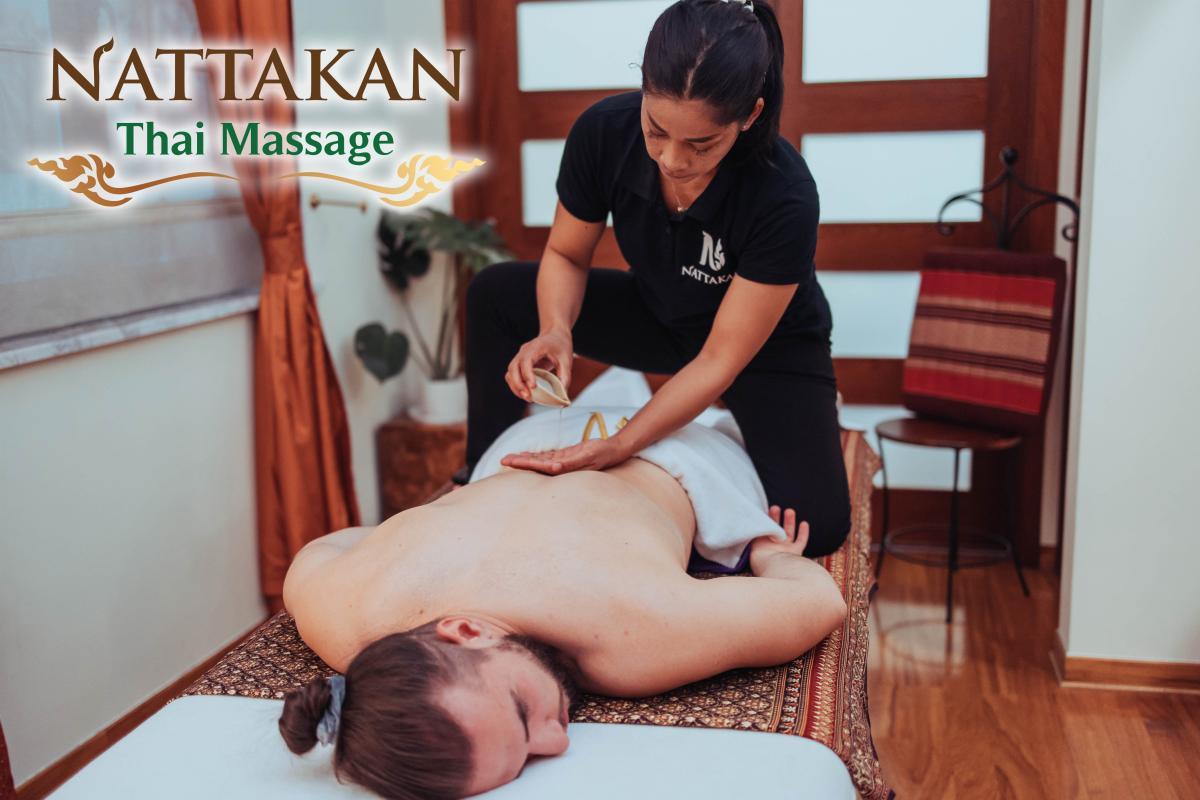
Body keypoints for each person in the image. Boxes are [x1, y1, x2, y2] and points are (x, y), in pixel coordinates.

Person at [460, 0, 852, 557]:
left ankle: (747, 430)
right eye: (656, 130)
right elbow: (568, 255)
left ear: (750, 115)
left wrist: (622, 445)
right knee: (496, 293)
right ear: (642, 92)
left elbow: (720, 359)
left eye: (701, 144)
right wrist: (555, 329)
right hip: (659, 311)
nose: (671, 159)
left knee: (819, 523)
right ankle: (476, 467)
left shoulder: (783, 193)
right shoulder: (603, 132)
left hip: (764, 349)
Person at [277, 416, 847, 799]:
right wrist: (413, 536)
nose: (557, 741)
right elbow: (322, 551)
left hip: (673, 453)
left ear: (466, 629)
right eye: (530, 754)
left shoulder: (633, 638)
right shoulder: (343, 614)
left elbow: (819, 601)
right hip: (525, 439)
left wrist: (774, 556)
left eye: (524, 714)